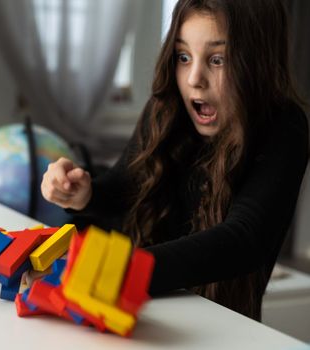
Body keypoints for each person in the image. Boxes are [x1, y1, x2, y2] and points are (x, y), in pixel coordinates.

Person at [40, 0, 309, 321]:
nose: (194, 78)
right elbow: (124, 187)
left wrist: (126, 269)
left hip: (221, 329)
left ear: (257, 63)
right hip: (146, 315)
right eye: (183, 56)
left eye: (218, 60)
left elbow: (245, 239)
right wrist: (84, 194)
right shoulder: (165, 109)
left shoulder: (284, 125)